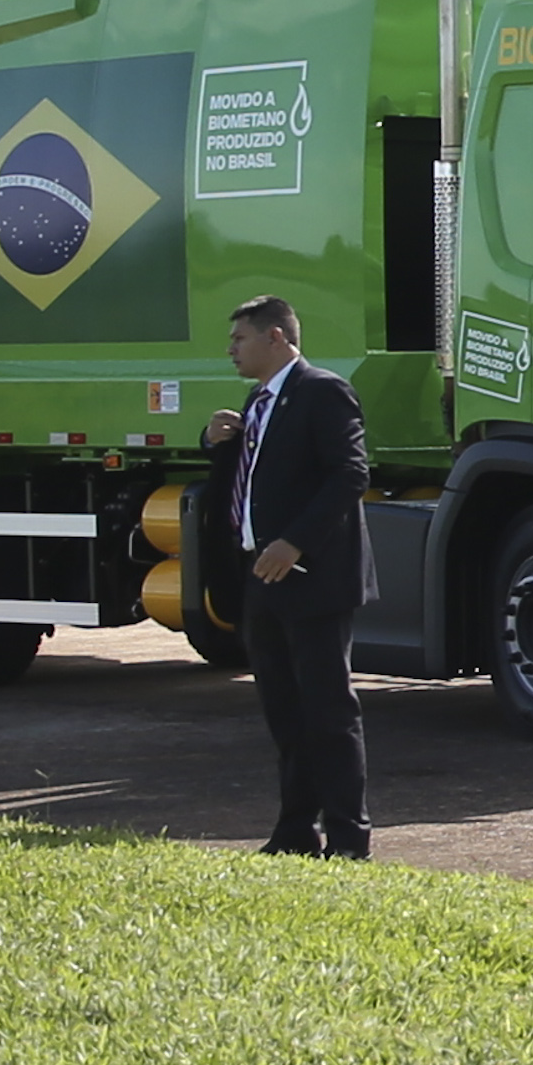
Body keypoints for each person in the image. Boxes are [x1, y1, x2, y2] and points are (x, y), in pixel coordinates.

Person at [204, 294, 372, 860]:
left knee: (328, 710)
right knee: (283, 710)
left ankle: (350, 836)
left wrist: (295, 540)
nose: (232, 350)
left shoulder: (322, 392)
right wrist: (216, 443)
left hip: (310, 576)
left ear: (276, 337)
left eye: (240, 339)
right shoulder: (256, 402)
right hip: (259, 577)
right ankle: (296, 830)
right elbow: (248, 483)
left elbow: (350, 473)